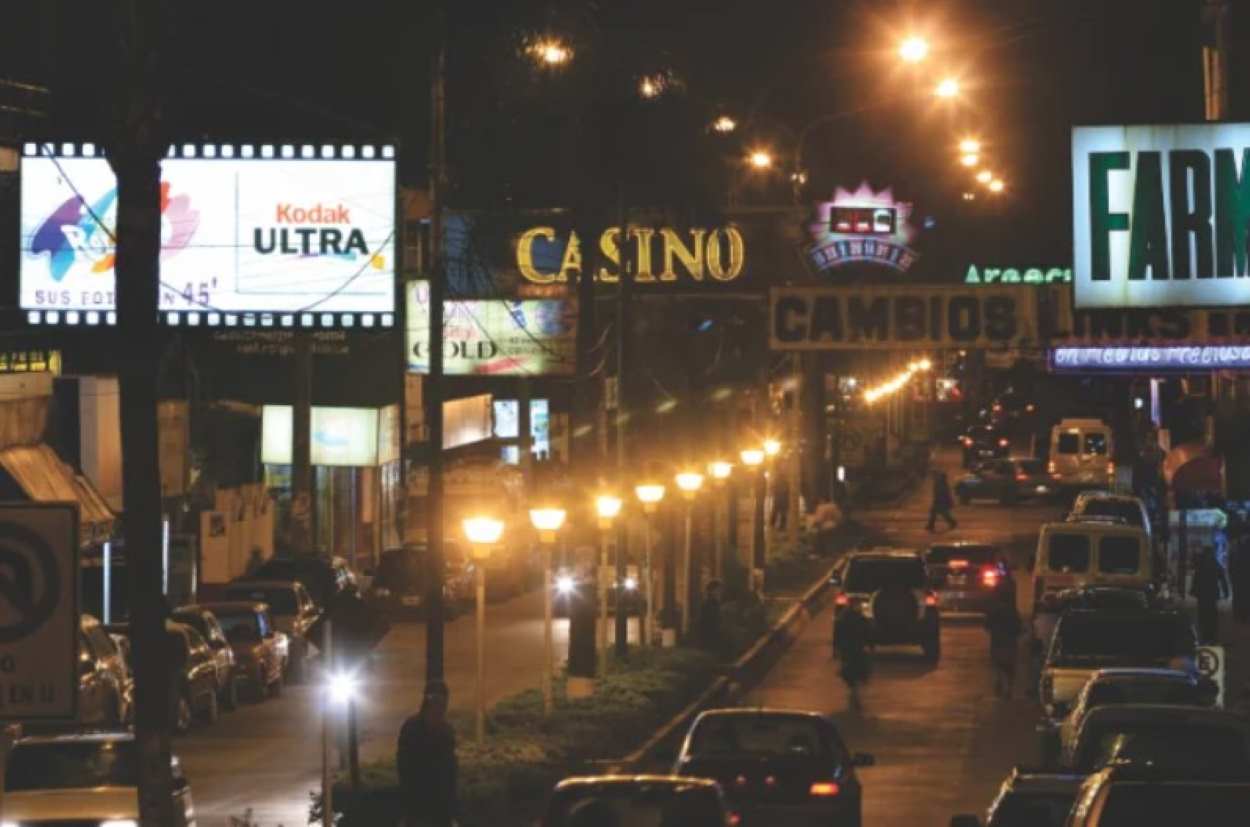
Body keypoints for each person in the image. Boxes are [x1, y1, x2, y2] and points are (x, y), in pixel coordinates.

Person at [397, 681, 458, 827]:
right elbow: (405, 768)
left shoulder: (446, 732)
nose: (439, 708)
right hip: (417, 808)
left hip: (440, 810)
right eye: (435, 701)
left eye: (442, 703)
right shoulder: (412, 729)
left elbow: (451, 772)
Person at [985, 587, 1023, 698]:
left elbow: (987, 626)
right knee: (1010, 665)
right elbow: (1018, 627)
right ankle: (1009, 687)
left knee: (997, 662)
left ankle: (999, 680)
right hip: (1010, 642)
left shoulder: (993, 610)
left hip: (997, 641)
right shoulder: (1013, 611)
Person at [834, 604, 872, 711]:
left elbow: (837, 635)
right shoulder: (860, 619)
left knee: (850, 666)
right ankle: (854, 687)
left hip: (849, 648)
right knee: (855, 666)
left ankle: (853, 687)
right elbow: (868, 633)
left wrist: (836, 649)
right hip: (854, 648)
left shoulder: (842, 619)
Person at [1193, 545, 1231, 644]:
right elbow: (1222, 578)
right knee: (1212, 614)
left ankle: (1204, 635)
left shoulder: (1200, 563)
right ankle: (1212, 635)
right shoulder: (1215, 563)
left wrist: (1194, 591)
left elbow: (1196, 578)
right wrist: (1226, 591)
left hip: (1202, 593)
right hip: (1212, 593)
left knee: (1202, 614)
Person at [698, 580, 722, 650]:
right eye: (718, 590)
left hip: (713, 633)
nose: (720, 592)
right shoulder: (709, 604)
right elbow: (709, 620)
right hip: (710, 634)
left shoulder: (715, 603)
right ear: (712, 591)